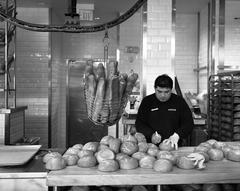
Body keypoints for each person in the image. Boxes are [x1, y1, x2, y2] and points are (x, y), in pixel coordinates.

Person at [135, 74, 194, 149]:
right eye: (159, 91)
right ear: (155, 88)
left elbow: (188, 123)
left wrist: (177, 135)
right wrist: (151, 134)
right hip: (150, 148)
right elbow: (139, 123)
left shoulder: (179, 101)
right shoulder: (147, 101)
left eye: (166, 92)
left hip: (174, 146)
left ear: (171, 89)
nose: (163, 95)